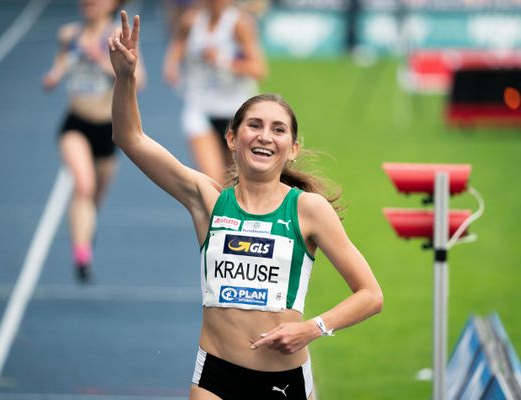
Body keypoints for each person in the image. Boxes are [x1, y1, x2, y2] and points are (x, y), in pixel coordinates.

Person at [108, 10, 383, 399]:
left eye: (278, 129)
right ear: (232, 138)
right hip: (215, 374)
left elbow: (370, 295)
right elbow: (129, 137)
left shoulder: (307, 210)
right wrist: (125, 78)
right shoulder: (207, 200)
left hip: (282, 382)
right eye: (254, 125)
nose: (265, 136)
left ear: (292, 149)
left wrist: (312, 327)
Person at [42, 0, 146, 282]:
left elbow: (140, 80)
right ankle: (82, 256)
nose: (89, 3)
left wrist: (101, 60)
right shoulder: (68, 34)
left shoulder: (117, 36)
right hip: (75, 123)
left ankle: (86, 229)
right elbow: (60, 64)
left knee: (95, 197)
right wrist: (53, 76)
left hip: (108, 129)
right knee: (83, 185)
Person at [163, 0, 267, 184]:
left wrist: (221, 60)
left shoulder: (238, 24)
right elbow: (175, 51)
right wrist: (173, 68)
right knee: (212, 182)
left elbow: (258, 69)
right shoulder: (191, 21)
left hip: (236, 113)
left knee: (237, 182)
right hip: (201, 110)